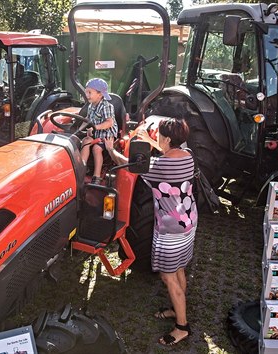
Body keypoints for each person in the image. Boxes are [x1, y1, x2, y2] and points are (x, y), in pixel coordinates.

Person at [103, 116, 196, 346]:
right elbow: (167, 153)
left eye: (159, 138)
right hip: (188, 220)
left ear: (165, 138)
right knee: (179, 267)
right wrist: (151, 142)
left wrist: (109, 149)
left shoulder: (159, 167)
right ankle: (177, 309)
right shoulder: (188, 156)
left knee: (167, 275)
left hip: (170, 227)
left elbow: (128, 163)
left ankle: (182, 327)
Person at [81, 78, 118, 184]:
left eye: (90, 92)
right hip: (96, 134)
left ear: (100, 94)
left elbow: (109, 122)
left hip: (107, 135)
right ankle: (81, 170)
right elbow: (87, 119)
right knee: (85, 141)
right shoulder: (91, 106)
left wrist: (95, 127)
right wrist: (79, 130)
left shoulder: (107, 106)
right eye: (86, 92)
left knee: (97, 149)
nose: (87, 95)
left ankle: (96, 176)